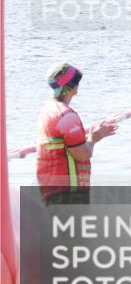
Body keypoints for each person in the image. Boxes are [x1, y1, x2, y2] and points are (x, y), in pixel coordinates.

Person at [36, 62, 117, 205]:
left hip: (52, 191)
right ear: (72, 87)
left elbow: (63, 146)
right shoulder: (66, 116)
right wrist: (94, 138)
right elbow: (82, 154)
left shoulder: (46, 111)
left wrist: (85, 138)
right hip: (68, 194)